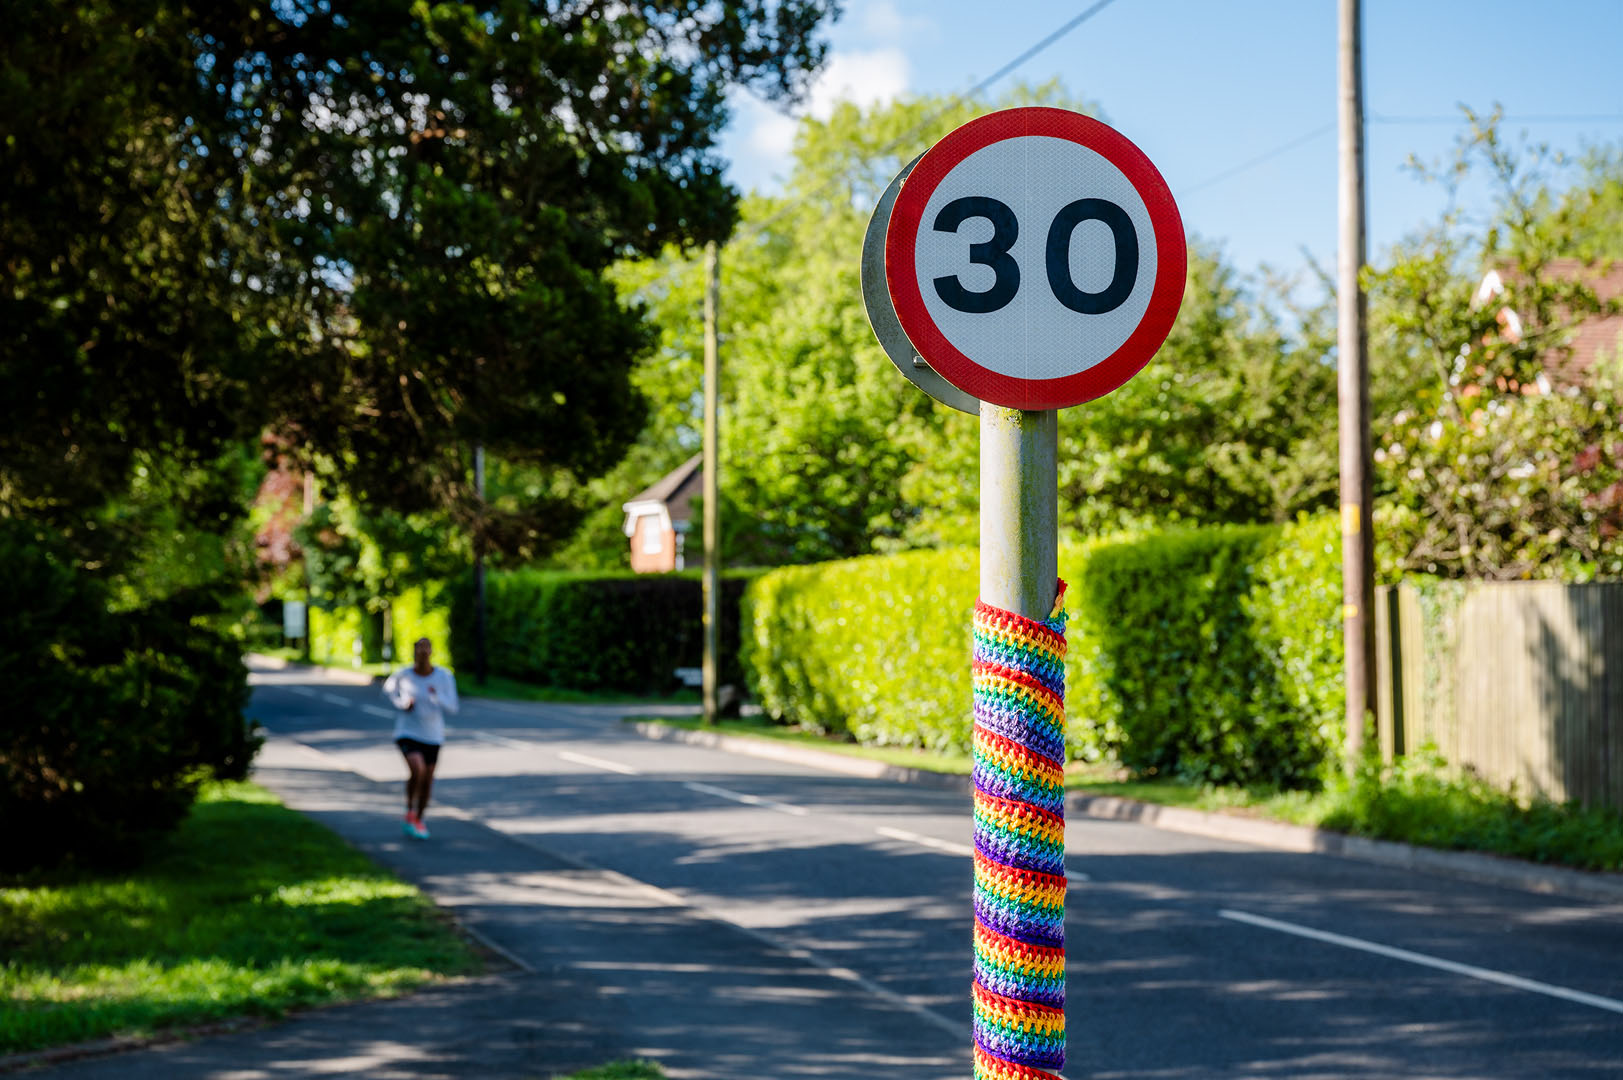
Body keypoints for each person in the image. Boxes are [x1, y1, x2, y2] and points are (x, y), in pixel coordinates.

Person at [382, 637, 459, 840]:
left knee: (427, 780)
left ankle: (419, 818)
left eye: (427, 648)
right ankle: (409, 809)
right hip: (407, 732)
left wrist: (436, 697)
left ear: (432, 652)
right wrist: (402, 703)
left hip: (433, 735)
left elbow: (453, 706)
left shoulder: (443, 676)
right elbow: (389, 691)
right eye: (419, 648)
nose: (423, 652)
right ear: (414, 651)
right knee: (418, 769)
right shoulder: (403, 675)